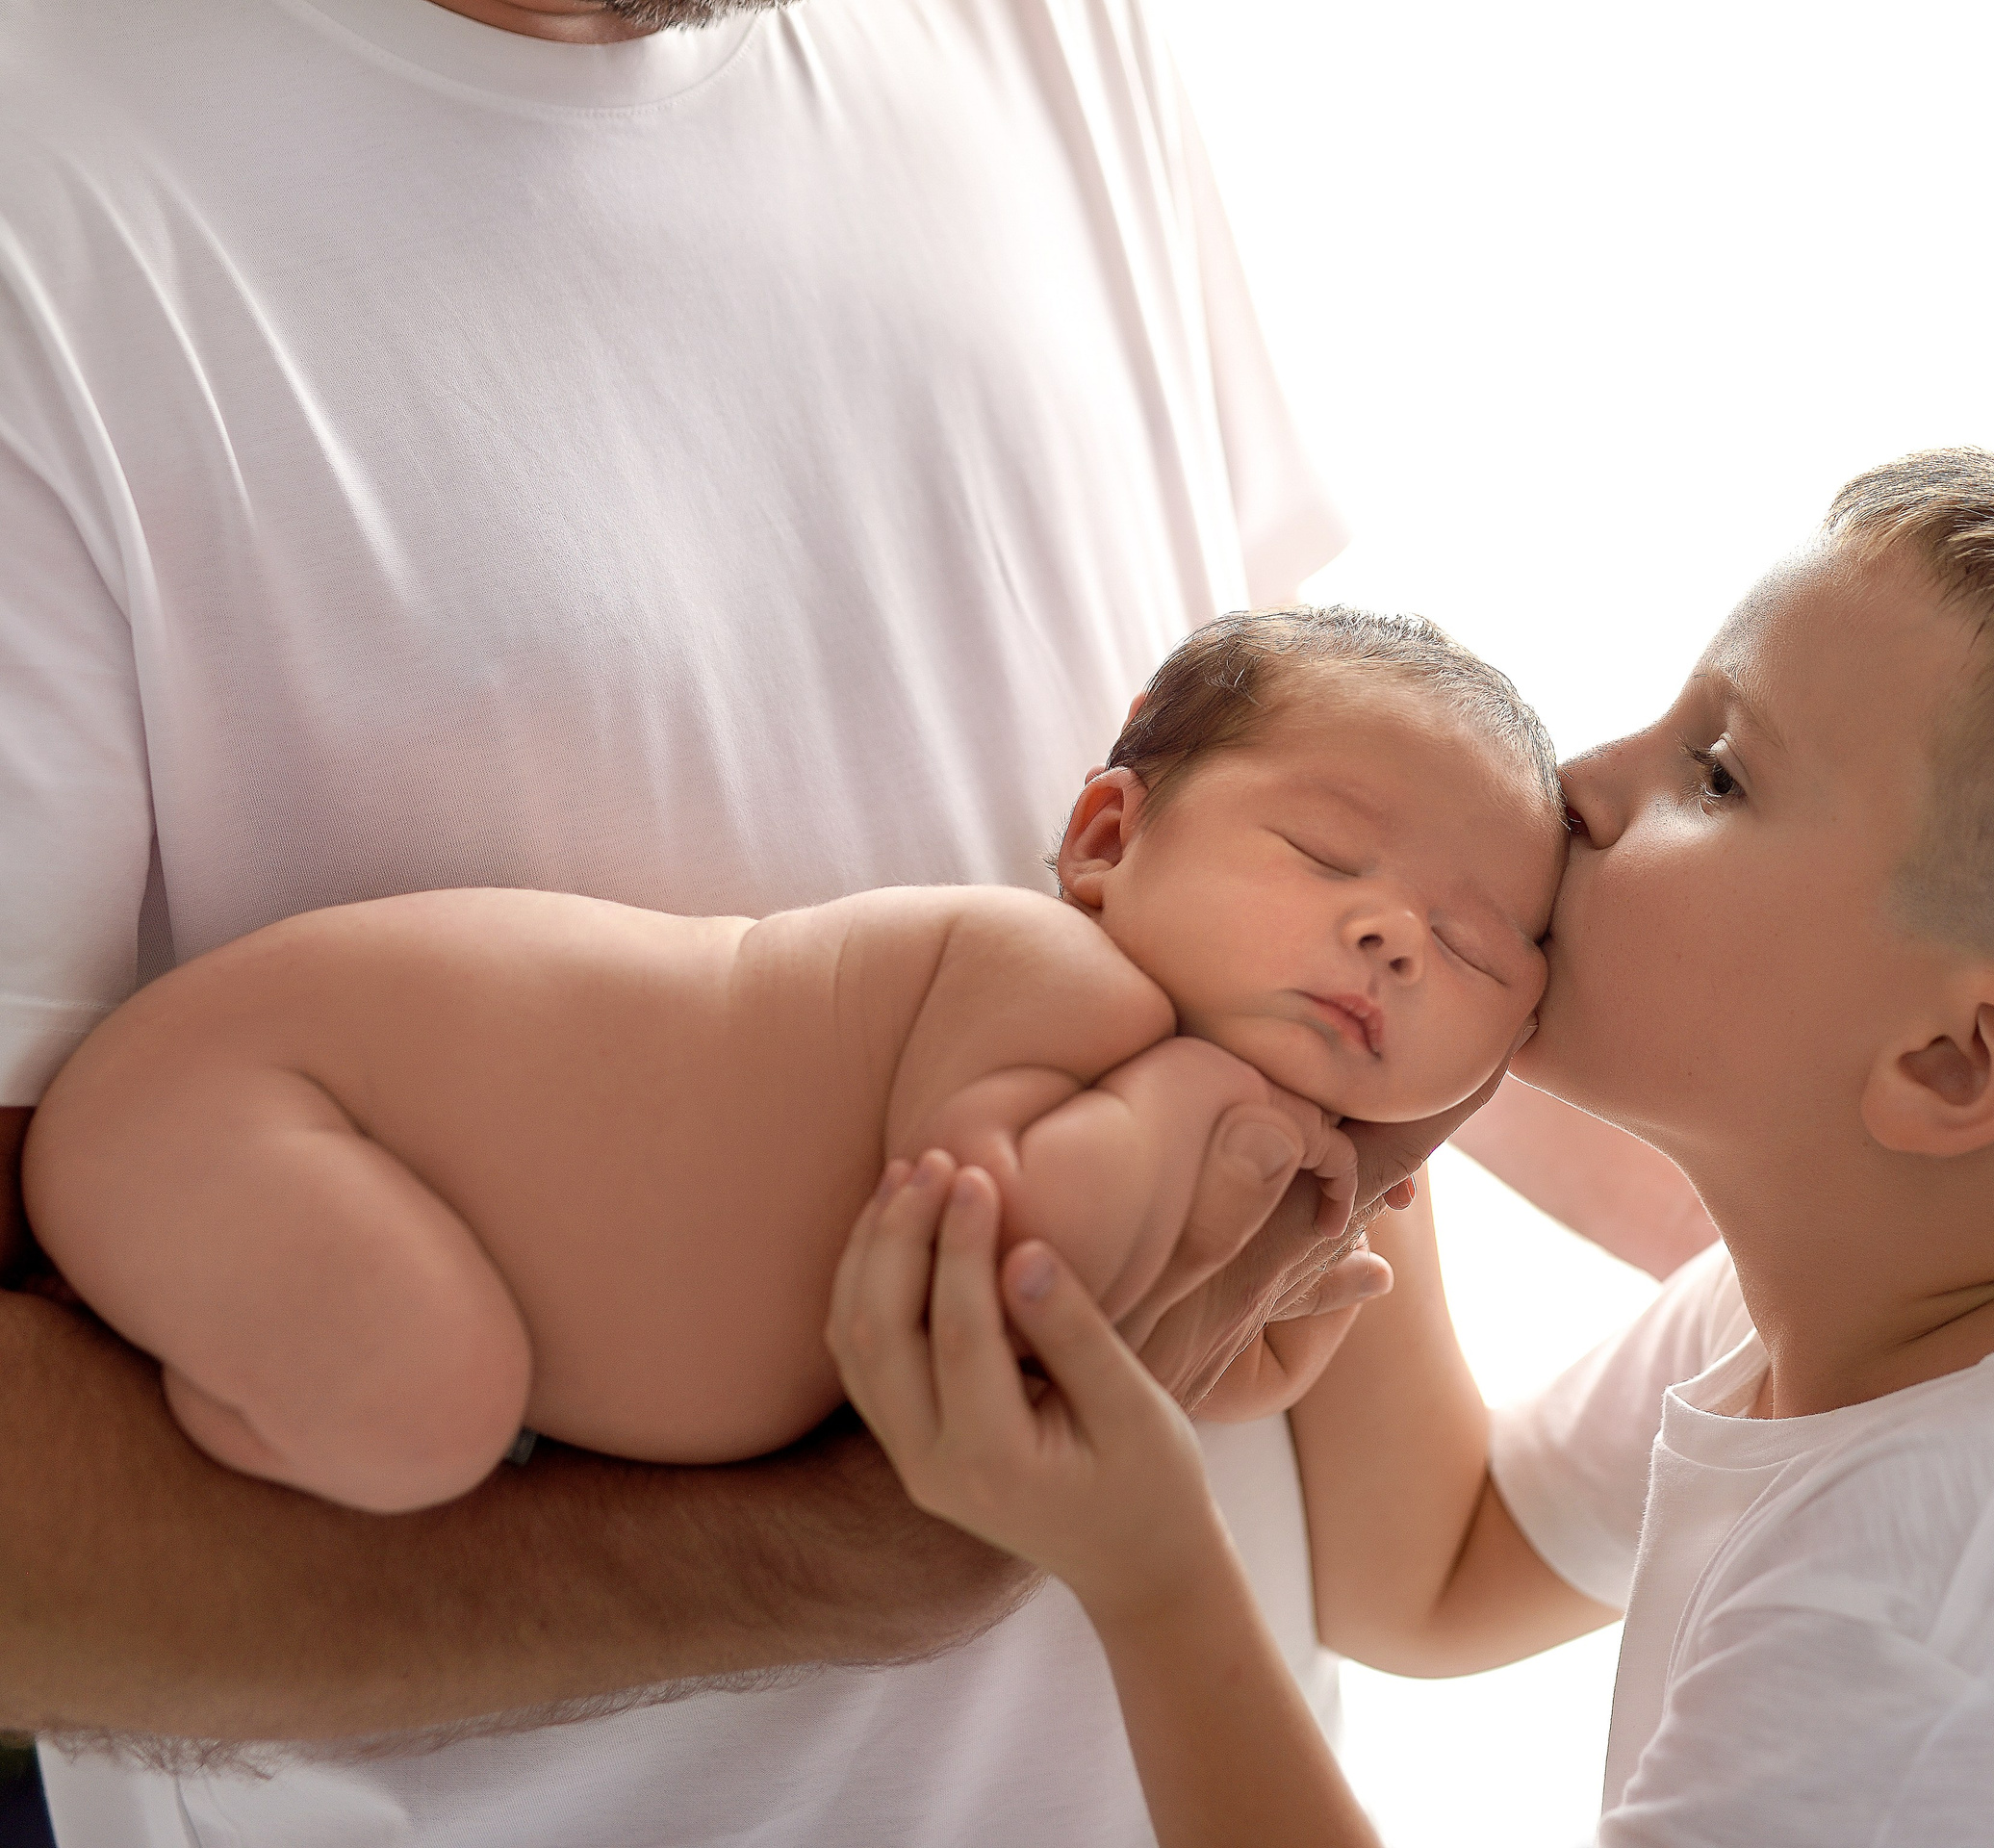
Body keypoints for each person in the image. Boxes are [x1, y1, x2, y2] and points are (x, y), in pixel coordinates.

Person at [0, 0, 1518, 1840]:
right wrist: (836, 1565)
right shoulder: (56, 175)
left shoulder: (1063, 37)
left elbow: (1409, 1528)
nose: (1387, 942)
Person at [833, 449, 1994, 1846]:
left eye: (1716, 773)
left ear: (1952, 1063)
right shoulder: (1918, 1285)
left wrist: (1153, 1574)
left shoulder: (1928, 1639)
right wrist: (1332, 1052)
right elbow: (1437, 1569)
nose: (1587, 785)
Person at [28, 612, 1563, 1516]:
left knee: (420, 1401)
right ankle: (200, 1396)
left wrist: (1272, 1304)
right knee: (416, 1414)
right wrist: (1208, 1114)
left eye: (1476, 947)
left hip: (307, 1134)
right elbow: (996, 1273)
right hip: (260, 1103)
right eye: (1324, 854)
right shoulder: (1040, 975)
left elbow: (1135, 1367)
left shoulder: (1155, 1091)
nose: (1392, 939)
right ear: (1107, 840)